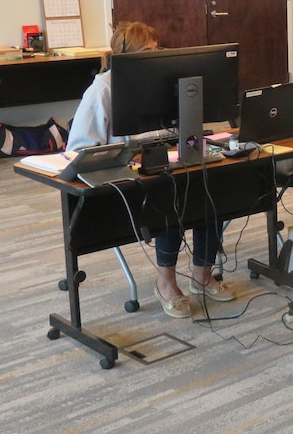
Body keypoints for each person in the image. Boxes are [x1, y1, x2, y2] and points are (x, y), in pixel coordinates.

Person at [69, 21, 234, 319]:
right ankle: (165, 282)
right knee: (170, 192)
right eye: (147, 52)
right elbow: (79, 148)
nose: (156, 58)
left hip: (166, 159)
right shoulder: (101, 90)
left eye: (158, 51)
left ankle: (202, 274)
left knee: (212, 186)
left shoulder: (161, 82)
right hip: (127, 180)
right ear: (124, 57)